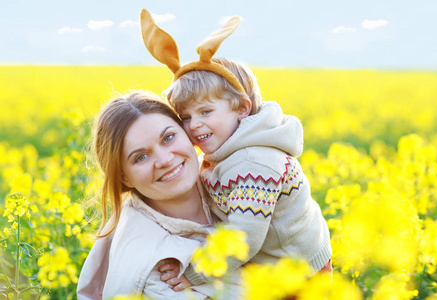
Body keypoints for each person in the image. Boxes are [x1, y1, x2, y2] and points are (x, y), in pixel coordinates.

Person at [139, 9, 332, 288]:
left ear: (241, 108)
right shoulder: (225, 151)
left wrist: (193, 274)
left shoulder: (255, 163)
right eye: (186, 117)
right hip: (271, 262)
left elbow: (244, 238)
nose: (194, 125)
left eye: (206, 111)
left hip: (298, 273)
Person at [76, 91, 240, 299]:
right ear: (124, 178)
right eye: (141, 157)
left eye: (168, 138)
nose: (165, 159)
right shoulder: (153, 269)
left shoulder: (238, 178)